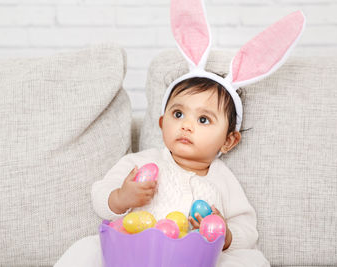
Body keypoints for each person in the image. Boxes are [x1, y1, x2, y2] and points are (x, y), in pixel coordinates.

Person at [54, 77, 270, 267]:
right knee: (87, 249)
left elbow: (248, 228)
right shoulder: (141, 163)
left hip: (197, 260)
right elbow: (100, 196)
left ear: (228, 141)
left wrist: (226, 235)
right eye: (178, 114)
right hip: (135, 254)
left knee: (251, 261)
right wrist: (122, 197)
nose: (186, 125)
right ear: (162, 123)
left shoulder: (223, 179)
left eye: (203, 120)